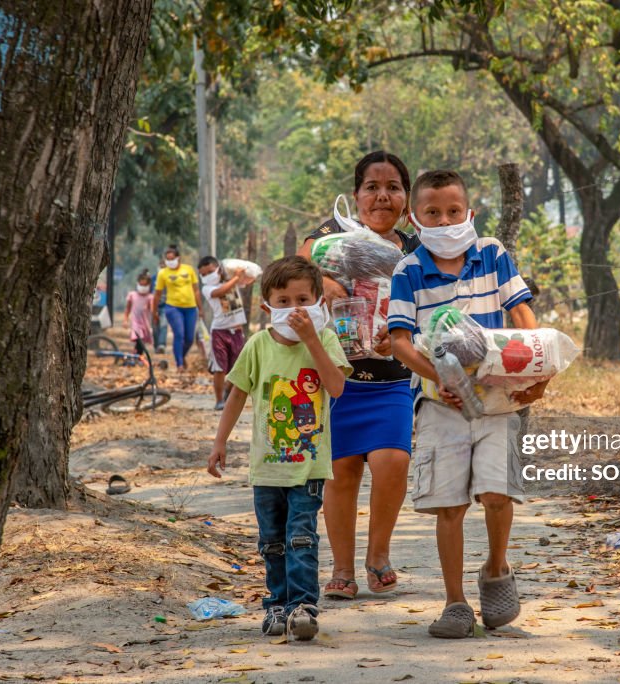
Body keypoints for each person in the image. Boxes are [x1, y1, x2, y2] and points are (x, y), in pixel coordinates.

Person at [387, 169, 550, 638]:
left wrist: (535, 370)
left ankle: (496, 570)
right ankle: (455, 602)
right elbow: (400, 341)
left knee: (498, 495)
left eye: (453, 211)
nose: (445, 219)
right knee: (450, 505)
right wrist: (443, 377)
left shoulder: (492, 254)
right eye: (433, 212)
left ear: (469, 212)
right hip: (441, 404)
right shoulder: (409, 269)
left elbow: (521, 314)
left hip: (500, 400)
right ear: (415, 218)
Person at [296, 150, 419, 598]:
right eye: (372, 187)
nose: (382, 196)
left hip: (391, 381)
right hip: (337, 381)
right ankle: (342, 570)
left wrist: (406, 332)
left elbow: (435, 304)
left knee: (394, 462)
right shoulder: (330, 238)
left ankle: (378, 555)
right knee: (341, 472)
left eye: (393, 188)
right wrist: (321, 281)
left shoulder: (414, 250)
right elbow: (296, 269)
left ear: (406, 199)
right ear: (356, 195)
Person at [208, 256, 351, 640]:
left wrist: (310, 340)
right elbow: (237, 393)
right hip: (267, 467)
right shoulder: (257, 345)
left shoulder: (325, 340)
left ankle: (303, 606)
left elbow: (336, 387)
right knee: (271, 540)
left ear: (319, 302)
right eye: (284, 301)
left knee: (301, 534)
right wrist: (220, 442)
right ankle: (276, 606)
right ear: (267, 305)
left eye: (303, 299)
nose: (294, 309)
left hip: (309, 466)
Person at [198, 256, 253, 410]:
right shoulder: (207, 289)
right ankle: (219, 400)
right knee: (219, 368)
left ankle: (228, 392)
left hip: (236, 331)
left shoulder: (230, 279)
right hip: (219, 332)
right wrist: (236, 277)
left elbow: (249, 280)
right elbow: (221, 291)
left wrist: (241, 274)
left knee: (238, 367)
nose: (207, 276)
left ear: (218, 268)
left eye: (210, 271)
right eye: (203, 274)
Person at [152, 245, 202, 370]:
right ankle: (179, 364)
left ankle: (181, 355)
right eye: (167, 259)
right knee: (179, 334)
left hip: (190, 308)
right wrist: (154, 311)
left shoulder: (189, 269)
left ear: (178, 258)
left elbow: (196, 290)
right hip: (173, 308)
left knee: (189, 338)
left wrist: (200, 308)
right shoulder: (163, 273)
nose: (170, 261)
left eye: (172, 258)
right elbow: (157, 294)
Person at [123, 270, 154, 352]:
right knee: (138, 337)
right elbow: (127, 309)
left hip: (145, 323)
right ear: (138, 283)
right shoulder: (132, 295)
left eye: (145, 285)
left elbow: (152, 310)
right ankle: (138, 355)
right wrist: (125, 320)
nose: (143, 287)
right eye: (141, 284)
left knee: (142, 341)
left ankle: (137, 354)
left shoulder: (150, 297)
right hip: (135, 322)